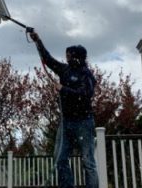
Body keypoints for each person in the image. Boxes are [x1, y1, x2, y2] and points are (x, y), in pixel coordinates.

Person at [30, 31, 99, 188]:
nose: (66, 57)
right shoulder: (65, 70)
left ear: (77, 57)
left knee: (88, 162)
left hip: (84, 122)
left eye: (69, 55)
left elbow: (86, 94)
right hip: (66, 122)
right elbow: (48, 60)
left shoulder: (86, 74)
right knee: (60, 159)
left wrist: (63, 89)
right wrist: (37, 41)